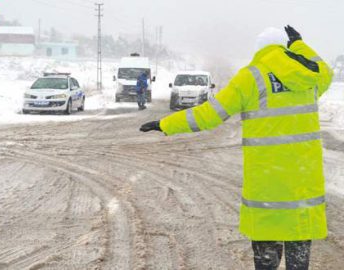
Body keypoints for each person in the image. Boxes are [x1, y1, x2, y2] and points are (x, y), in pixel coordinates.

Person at [140, 25, 334, 270]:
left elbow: (209, 114)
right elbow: (325, 70)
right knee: (298, 262)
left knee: (266, 261)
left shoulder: (251, 77)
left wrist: (165, 123)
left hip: (267, 191)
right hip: (304, 191)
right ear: (285, 48)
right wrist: (299, 45)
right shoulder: (310, 77)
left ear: (258, 50)